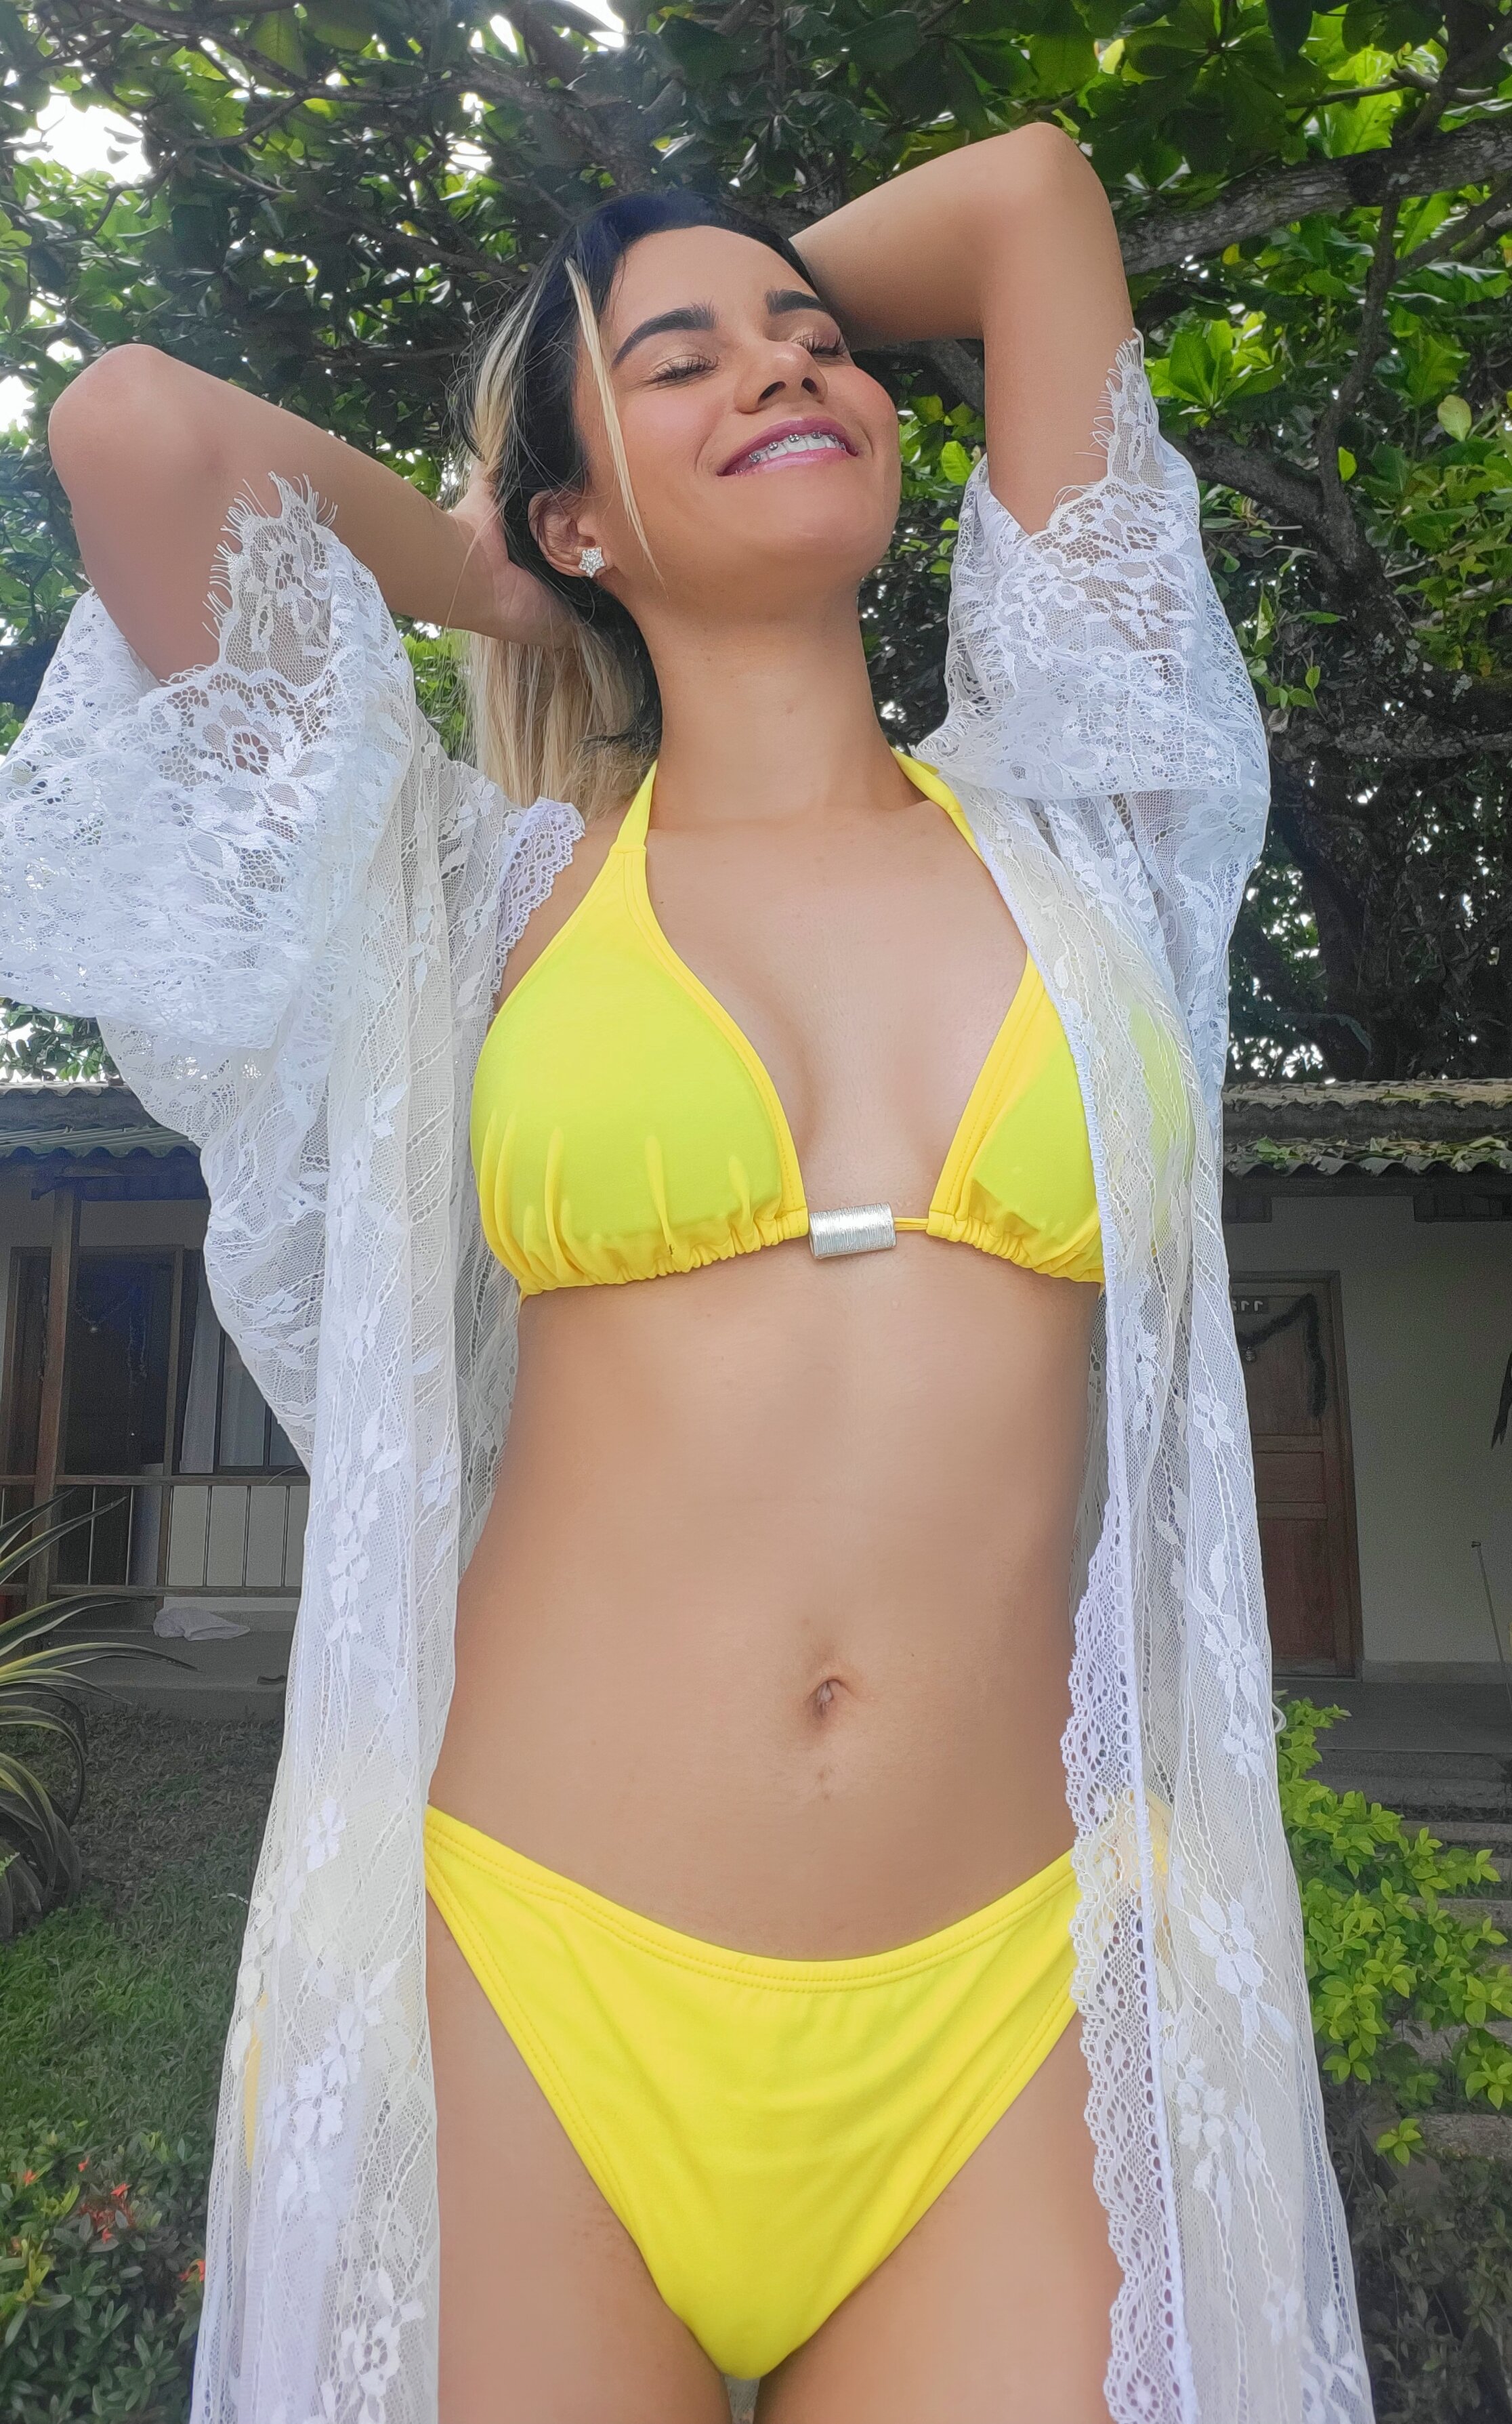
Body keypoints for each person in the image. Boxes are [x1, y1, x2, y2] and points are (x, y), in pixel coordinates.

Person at [0, 131, 1372, 2424]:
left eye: (817, 344)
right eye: (689, 362)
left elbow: (1031, 197)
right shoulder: (476, 901)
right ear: (574, 520)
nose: (787, 366)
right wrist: (487, 568)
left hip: (1008, 2006)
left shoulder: (1095, 821)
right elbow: (133, 429)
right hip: (531, 1979)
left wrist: (686, 332)